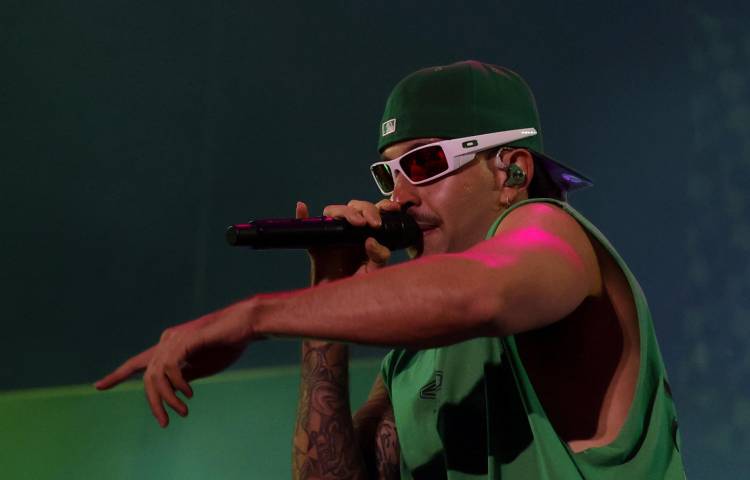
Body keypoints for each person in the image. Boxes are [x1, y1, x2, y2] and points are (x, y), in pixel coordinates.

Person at [95, 60, 686, 479]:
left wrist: (254, 317)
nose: (398, 196)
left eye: (426, 163)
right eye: (389, 174)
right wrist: (329, 299)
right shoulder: (414, 357)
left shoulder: (550, 232)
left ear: (511, 172)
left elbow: (482, 294)